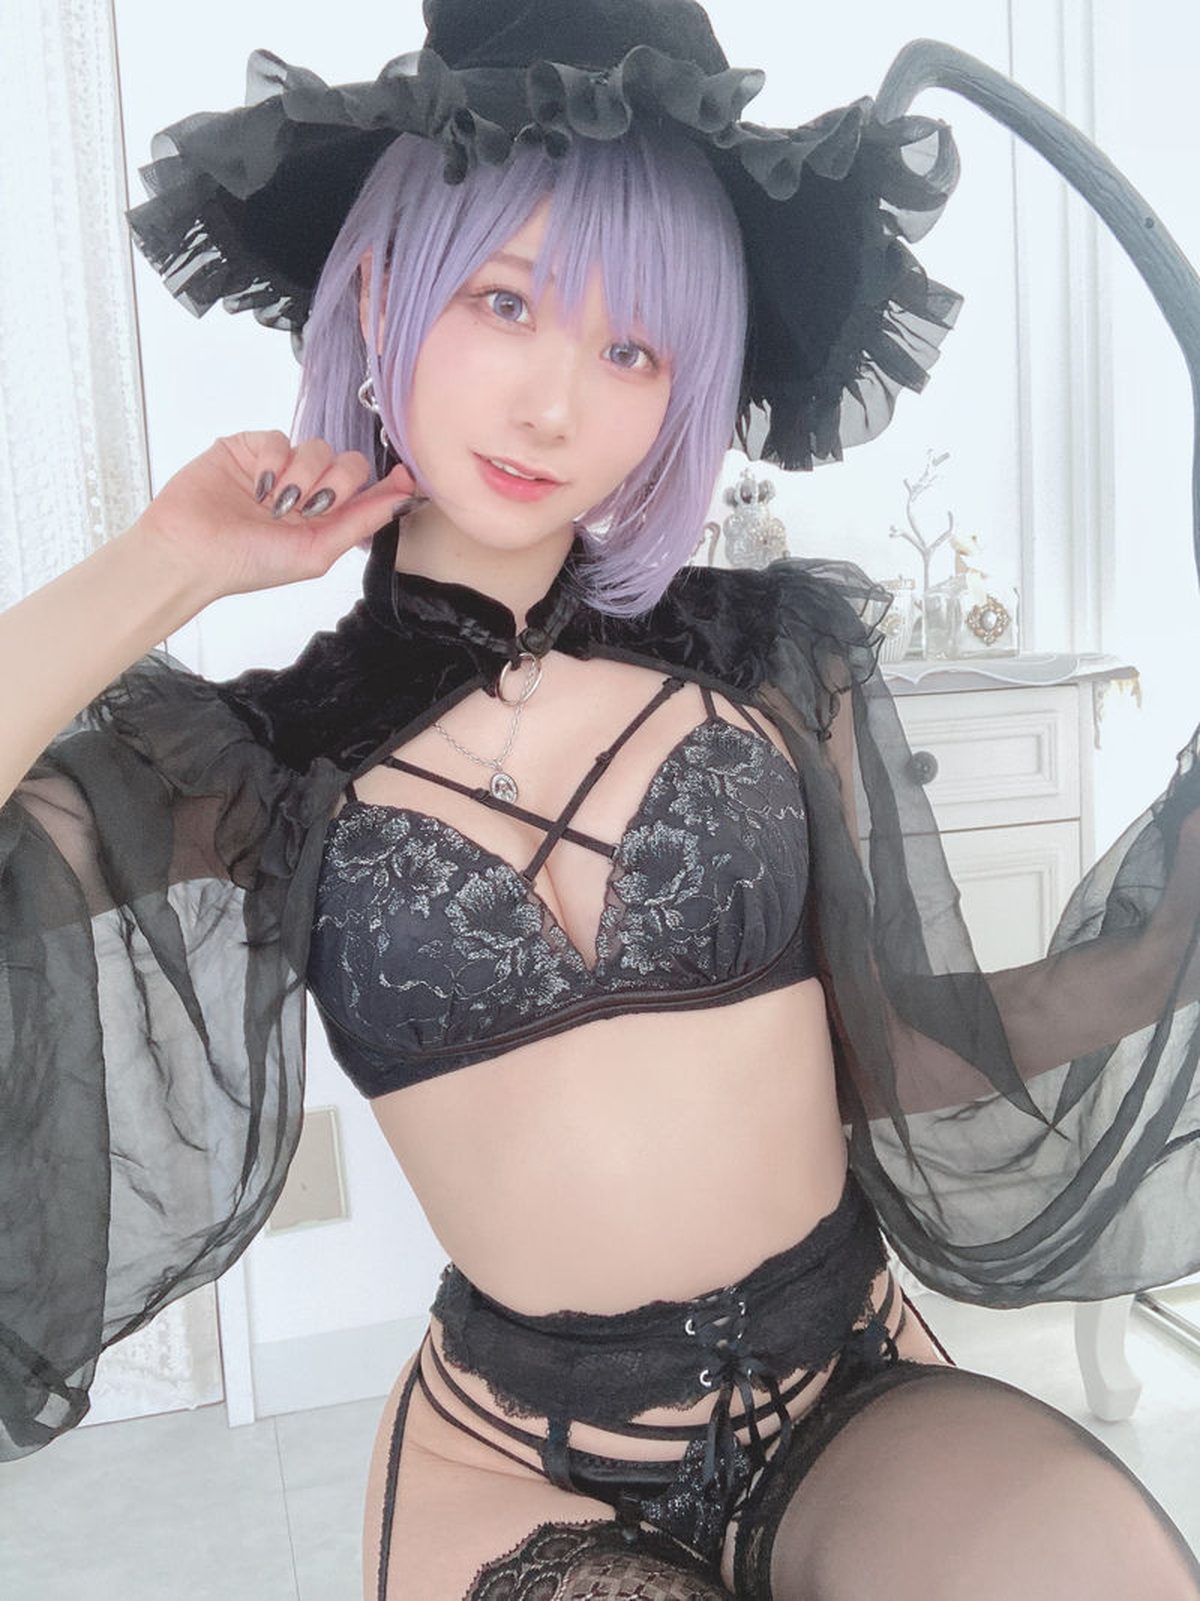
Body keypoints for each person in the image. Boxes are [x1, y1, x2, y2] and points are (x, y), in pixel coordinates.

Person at [2, 2, 1200, 1596]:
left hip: (844, 1387)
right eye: (505, 300)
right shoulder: (260, 767)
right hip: (519, 1453)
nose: (556, 406)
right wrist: (172, 560)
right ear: (383, 289)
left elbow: (886, 1047)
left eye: (632, 347)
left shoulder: (774, 661)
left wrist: (1157, 953)